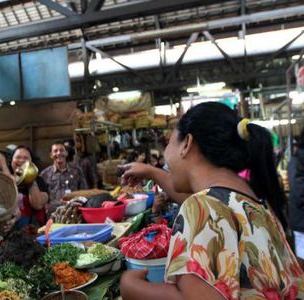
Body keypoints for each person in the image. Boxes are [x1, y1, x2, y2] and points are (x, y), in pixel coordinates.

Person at [120, 102, 302, 299]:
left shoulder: (201, 207)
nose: (165, 160)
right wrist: (150, 171)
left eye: (169, 144)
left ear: (187, 143)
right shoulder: (250, 200)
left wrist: (133, 288)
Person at [40, 141, 88, 215]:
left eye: (61, 150)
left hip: (75, 213)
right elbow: (42, 198)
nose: (59, 153)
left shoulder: (76, 171)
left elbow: (84, 192)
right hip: (54, 214)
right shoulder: (44, 174)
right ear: (51, 155)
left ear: (66, 153)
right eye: (55, 151)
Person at [11, 145, 49, 228]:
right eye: (17, 157)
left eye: (25, 158)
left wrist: (30, 178)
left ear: (31, 162)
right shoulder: (7, 180)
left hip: (35, 230)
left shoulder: (39, 180)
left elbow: (38, 205)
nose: (21, 160)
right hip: (11, 233)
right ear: (12, 160)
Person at [289, 129, 304, 269]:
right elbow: (299, 191)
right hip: (301, 219)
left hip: (299, 217)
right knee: (302, 255)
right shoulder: (298, 159)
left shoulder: (297, 158)